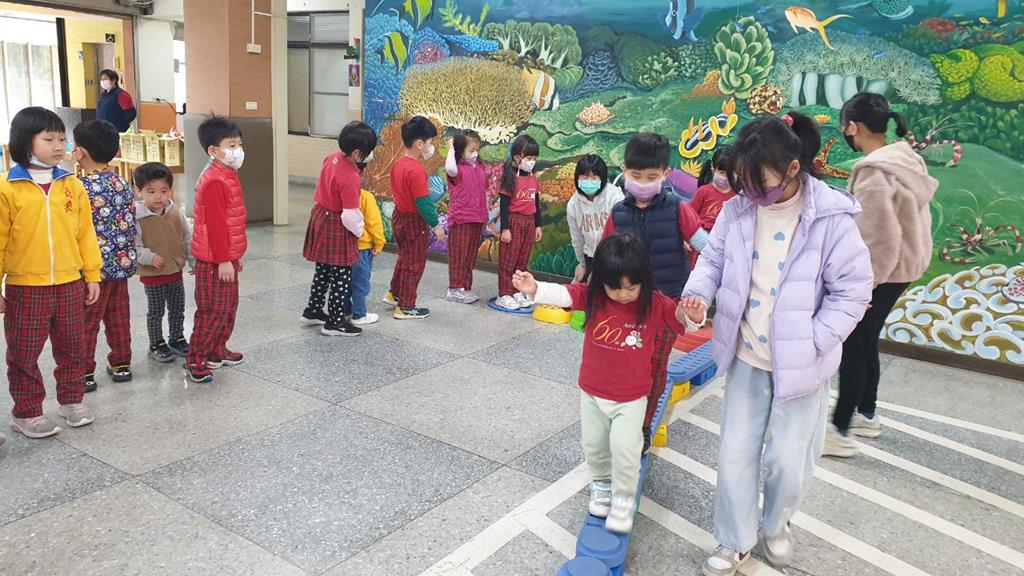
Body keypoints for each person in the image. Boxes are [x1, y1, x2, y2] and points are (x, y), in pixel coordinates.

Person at [680, 111, 873, 576]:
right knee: (735, 453)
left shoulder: (831, 216)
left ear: (793, 168)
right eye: (743, 183)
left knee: (788, 460)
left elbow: (853, 291)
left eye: (760, 183)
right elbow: (713, 260)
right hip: (747, 356)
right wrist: (698, 294)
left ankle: (777, 523)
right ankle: (735, 539)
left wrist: (815, 340)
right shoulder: (739, 208)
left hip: (803, 363)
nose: (751, 193)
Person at [513, 234, 699, 534]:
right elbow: (567, 294)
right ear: (602, 282)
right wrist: (536, 289)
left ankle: (623, 498)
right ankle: (601, 485)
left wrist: (692, 315)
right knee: (595, 446)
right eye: (615, 287)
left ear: (644, 280)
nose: (623, 295)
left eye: (632, 287)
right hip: (592, 392)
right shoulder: (596, 296)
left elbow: (680, 319)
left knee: (626, 449)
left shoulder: (654, 303)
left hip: (631, 397)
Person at [824, 93, 937, 457]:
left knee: (854, 345)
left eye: (844, 126)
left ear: (852, 127)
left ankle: (839, 430)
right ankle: (865, 413)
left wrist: (863, 288)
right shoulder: (904, 158)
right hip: (902, 269)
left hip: (881, 273)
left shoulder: (874, 172)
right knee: (867, 339)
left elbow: (878, 239)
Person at [602, 132, 709, 452]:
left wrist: (703, 288)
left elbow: (708, 249)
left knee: (655, 366)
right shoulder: (619, 212)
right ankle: (622, 417)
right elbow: (605, 256)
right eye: (636, 176)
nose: (643, 183)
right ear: (624, 170)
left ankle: (644, 426)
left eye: (651, 177)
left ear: (665, 173)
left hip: (666, 303)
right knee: (625, 363)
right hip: (627, 304)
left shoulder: (677, 208)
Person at [0, 107, 102, 438]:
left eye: (62, 139)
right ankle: (27, 412)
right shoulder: (7, 187)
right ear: (24, 141)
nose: (58, 146)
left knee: (74, 348)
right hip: (26, 286)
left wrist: (92, 274)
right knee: (24, 353)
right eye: (49, 139)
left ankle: (72, 401)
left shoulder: (71, 184)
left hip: (70, 283)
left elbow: (85, 233)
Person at [73, 119, 137, 392]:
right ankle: (121, 364)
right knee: (118, 317)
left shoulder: (80, 187)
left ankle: (84, 372)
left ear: (80, 152)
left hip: (93, 271)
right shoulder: (121, 181)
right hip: (121, 265)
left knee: (87, 322)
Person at [185, 115, 248, 383]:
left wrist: (234, 257)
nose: (238, 151)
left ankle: (216, 350)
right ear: (213, 150)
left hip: (224, 258)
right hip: (213, 262)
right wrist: (223, 259)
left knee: (228, 307)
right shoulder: (214, 180)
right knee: (212, 311)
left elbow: (231, 222)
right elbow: (216, 226)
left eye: (239, 145)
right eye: (231, 146)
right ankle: (196, 358)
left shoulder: (227, 174)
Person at [302, 121, 378, 336]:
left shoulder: (333, 157)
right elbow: (350, 215)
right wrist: (360, 232)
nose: (371, 155)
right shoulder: (351, 177)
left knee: (323, 270)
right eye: (368, 151)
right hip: (337, 224)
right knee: (341, 275)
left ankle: (313, 310)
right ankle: (335, 322)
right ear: (356, 153)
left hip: (321, 215)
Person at [383, 115, 446, 320]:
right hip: (414, 222)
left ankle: (394, 293)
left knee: (404, 258)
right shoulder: (416, 170)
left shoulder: (399, 164)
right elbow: (423, 202)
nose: (431, 147)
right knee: (414, 264)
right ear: (420, 144)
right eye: (430, 142)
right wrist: (436, 225)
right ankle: (406, 306)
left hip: (399, 217)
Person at [134, 162, 193, 363]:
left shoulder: (175, 211)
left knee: (177, 308)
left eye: (163, 191)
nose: (158, 197)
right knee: (156, 311)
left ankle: (177, 337)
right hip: (153, 275)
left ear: (170, 190)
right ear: (139, 191)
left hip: (175, 271)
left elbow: (187, 237)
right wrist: (148, 257)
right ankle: (156, 343)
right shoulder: (137, 217)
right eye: (151, 192)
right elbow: (133, 246)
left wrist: (193, 261)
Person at [495, 135, 542, 311]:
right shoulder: (509, 178)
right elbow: (504, 206)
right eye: (528, 158)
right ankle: (504, 293)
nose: (532, 162)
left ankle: (516, 291)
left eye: (534, 158)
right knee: (509, 259)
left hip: (529, 222)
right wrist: (505, 229)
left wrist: (538, 225)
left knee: (522, 260)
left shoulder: (533, 178)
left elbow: (536, 203)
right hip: (514, 221)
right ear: (516, 157)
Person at [444, 130, 488, 304]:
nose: (475, 154)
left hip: (477, 218)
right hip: (461, 218)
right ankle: (454, 288)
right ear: (460, 150)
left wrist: (485, 216)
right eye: (471, 150)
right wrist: (450, 148)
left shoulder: (479, 168)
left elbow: (484, 192)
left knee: (470, 256)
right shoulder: (457, 169)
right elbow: (450, 168)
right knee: (458, 255)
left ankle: (464, 288)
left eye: (477, 150)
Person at [566, 154, 623, 283]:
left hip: (614, 258)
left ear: (602, 178)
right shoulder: (573, 204)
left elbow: (622, 235)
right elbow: (577, 238)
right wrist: (582, 264)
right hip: (590, 257)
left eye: (594, 177)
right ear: (577, 178)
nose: (589, 181)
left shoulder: (615, 198)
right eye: (584, 177)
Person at [688, 146, 737, 269]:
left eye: (730, 173)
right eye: (722, 173)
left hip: (727, 242)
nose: (726, 177)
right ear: (713, 170)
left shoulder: (737, 196)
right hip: (702, 242)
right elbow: (689, 217)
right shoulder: (703, 191)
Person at [343, 187, 386, 325]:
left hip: (342, 247)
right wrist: (379, 242)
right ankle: (359, 314)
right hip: (361, 248)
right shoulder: (365, 196)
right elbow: (374, 222)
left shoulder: (338, 193)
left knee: (343, 281)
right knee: (360, 283)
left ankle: (345, 311)